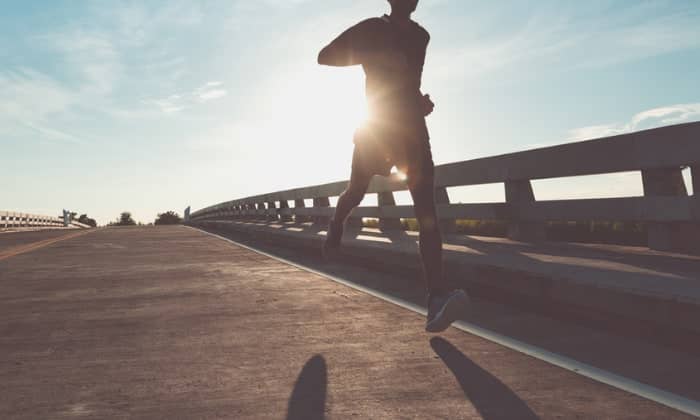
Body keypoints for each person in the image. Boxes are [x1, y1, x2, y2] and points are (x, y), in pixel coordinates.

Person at [317, 0, 468, 333]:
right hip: (375, 130)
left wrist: (420, 101)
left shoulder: (421, 37)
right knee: (356, 190)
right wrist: (374, 56)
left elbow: (407, 86)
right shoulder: (371, 28)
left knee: (426, 210)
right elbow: (324, 56)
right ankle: (337, 223)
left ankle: (436, 299)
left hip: (412, 132)